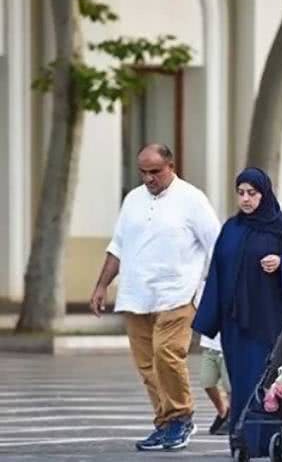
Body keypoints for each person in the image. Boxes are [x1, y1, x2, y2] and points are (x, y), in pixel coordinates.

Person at [90, 143, 220, 451]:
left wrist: (213, 290)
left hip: (178, 293)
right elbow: (117, 247)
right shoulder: (133, 200)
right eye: (143, 172)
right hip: (136, 295)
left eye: (155, 172)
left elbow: (216, 245)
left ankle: (182, 417)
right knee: (147, 365)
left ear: (171, 167)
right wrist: (101, 286)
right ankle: (164, 423)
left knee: (167, 355)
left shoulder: (192, 199)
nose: (148, 179)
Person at [192, 167, 282, 457]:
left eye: (252, 193)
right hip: (235, 325)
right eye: (241, 193)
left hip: (269, 320)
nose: (245, 199)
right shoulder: (232, 228)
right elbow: (216, 271)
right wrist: (209, 318)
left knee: (266, 378)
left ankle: (269, 440)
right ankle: (242, 438)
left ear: (264, 194)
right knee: (240, 382)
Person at [199, 333, 230, 436]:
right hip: (210, 347)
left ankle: (232, 416)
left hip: (228, 348)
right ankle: (223, 412)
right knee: (207, 382)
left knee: (229, 387)